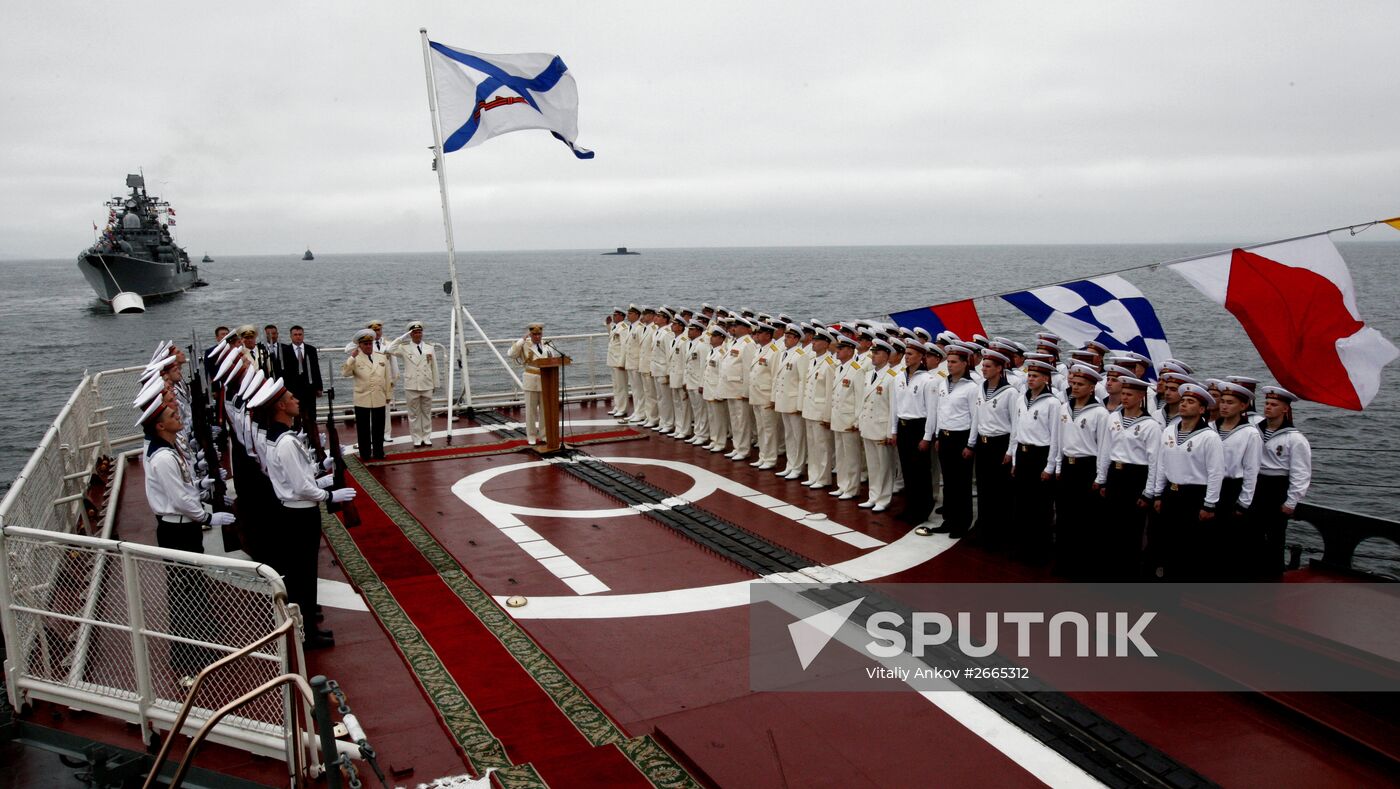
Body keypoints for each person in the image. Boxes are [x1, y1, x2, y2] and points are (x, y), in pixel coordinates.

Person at [254, 377, 356, 650]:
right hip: (300, 515)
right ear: (280, 406)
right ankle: (306, 633)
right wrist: (330, 495)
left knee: (304, 574)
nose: (297, 400)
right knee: (303, 576)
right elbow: (299, 485)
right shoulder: (286, 442)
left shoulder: (278, 437)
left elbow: (295, 479)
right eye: (291, 398)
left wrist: (322, 470)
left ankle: (308, 627)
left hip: (295, 510)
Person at [139, 394, 233, 677]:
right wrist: (206, 516)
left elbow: (184, 487)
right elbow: (179, 498)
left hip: (183, 525)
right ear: (159, 426)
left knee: (193, 587)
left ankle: (200, 645)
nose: (177, 418)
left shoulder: (168, 451)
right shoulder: (163, 457)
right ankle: (187, 657)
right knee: (184, 592)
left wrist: (201, 488)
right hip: (177, 528)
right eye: (171, 417)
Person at [1148, 384, 1223, 580]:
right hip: (1171, 492)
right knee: (1167, 540)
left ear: (1201, 409)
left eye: (1191, 402)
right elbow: (1162, 464)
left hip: (1194, 495)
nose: (1184, 404)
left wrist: (1210, 504)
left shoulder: (1209, 437)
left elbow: (1215, 472)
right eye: (1183, 401)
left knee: (1189, 543)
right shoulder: (1169, 431)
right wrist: (1157, 493)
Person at [1097, 375, 1161, 579]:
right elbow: (1106, 449)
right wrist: (1102, 478)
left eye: (1129, 394)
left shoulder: (1150, 425)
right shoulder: (1114, 417)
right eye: (1123, 393)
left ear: (1141, 396)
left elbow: (1154, 461)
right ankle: (1110, 571)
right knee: (1111, 526)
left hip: (1136, 476)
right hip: (1116, 474)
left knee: (1131, 529)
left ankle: (1128, 574)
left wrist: (1149, 492)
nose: (1124, 397)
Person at [1053, 365, 1113, 575]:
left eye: (1080, 384)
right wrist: (1058, 465)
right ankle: (1063, 561)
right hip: (1068, 467)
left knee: (1084, 519)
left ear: (1092, 388)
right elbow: (1058, 440)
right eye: (1073, 383)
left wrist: (1101, 476)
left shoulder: (1100, 413)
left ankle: (1082, 565)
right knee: (1064, 516)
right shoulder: (1064, 408)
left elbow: (1104, 446)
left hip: (1087, 467)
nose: (1075, 387)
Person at [1250, 386, 1312, 578]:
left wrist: (1291, 501)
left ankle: (1272, 576)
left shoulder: (1294, 438)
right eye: (1267, 403)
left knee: (1274, 536)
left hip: (1276, 487)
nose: (1268, 407)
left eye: (1274, 404)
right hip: (1255, 484)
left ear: (1285, 409)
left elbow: (1301, 472)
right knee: (1252, 533)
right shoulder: (1254, 431)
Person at [921, 344, 978, 538]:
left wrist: (971, 444)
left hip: (961, 437)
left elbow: (975, 417)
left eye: (954, 362)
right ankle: (949, 520)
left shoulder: (971, 388)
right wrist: (937, 435)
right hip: (945, 437)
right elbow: (939, 410)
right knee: (949, 482)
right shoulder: (944, 383)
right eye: (949, 362)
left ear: (964, 364)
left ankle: (962, 523)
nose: (950, 365)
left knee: (961, 484)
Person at [1011, 359, 1060, 561]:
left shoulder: (1053, 403)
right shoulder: (1021, 399)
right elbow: (1016, 429)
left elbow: (1056, 436)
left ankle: (1039, 549)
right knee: (1022, 503)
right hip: (1023, 453)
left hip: (1040, 455)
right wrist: (1014, 458)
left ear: (1046, 379)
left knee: (1040, 506)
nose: (1031, 379)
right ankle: (1023, 545)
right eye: (1029, 375)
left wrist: (1050, 466)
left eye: (1035, 376)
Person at [970, 348, 1019, 550]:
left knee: (1000, 491)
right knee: (984, 487)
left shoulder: (1010, 393)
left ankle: (1000, 532)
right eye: (983, 365)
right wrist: (971, 443)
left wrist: (1011, 451)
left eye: (989, 366)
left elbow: (1016, 424)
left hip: (1000, 444)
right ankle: (984, 527)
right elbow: (976, 417)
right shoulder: (981, 388)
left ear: (1000, 368)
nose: (984, 369)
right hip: (983, 443)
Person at [1214, 382, 1261, 577]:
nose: (1224, 406)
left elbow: (1252, 469)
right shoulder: (1210, 428)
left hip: (1232, 487)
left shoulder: (1250, 433)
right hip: (1210, 486)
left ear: (1243, 406)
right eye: (1222, 401)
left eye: (1230, 403)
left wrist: (1244, 501)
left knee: (1230, 538)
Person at [892, 341, 936, 524]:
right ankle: (910, 506)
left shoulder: (928, 380)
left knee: (921, 472)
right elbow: (895, 406)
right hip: (903, 426)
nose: (907, 357)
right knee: (907, 470)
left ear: (921, 357)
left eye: (911, 354)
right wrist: (894, 430)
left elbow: (932, 411)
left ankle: (922, 510)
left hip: (919, 427)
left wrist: (927, 437)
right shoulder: (899, 378)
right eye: (906, 353)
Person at [385, 321, 440, 447]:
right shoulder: (404, 348)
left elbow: (434, 367)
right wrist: (401, 337)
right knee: (413, 414)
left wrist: (435, 384)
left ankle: (426, 437)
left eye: (420, 332)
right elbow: (389, 350)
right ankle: (416, 438)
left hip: (426, 384)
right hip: (412, 385)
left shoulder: (429, 347)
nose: (418, 335)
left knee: (426, 412)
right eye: (415, 332)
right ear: (411, 334)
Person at [859, 340, 898, 511]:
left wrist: (891, 432)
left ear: (886, 356)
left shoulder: (892, 377)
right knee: (873, 465)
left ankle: (883, 499)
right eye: (872, 352)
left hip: (881, 427)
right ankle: (873, 496)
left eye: (877, 353)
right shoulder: (868, 375)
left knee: (884, 467)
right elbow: (862, 401)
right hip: (868, 425)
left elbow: (893, 407)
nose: (873, 356)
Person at [342, 329, 392, 458]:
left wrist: (388, 395)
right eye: (365, 344)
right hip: (362, 397)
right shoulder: (355, 358)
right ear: (360, 345)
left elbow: (387, 378)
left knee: (378, 427)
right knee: (363, 428)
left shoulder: (381, 357)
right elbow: (345, 373)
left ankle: (378, 452)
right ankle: (365, 453)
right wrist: (352, 357)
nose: (368, 346)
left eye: (370, 343)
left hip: (378, 397)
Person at [508, 323, 559, 446]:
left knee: (544, 410)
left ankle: (544, 435)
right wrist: (522, 339)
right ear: (530, 334)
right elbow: (511, 354)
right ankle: (531, 435)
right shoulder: (525, 344)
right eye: (534, 334)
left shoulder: (547, 344)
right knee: (531, 411)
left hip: (546, 379)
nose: (537, 336)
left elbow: (554, 358)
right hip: (531, 379)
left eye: (539, 334)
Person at [828, 336, 866, 500]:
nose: (837, 352)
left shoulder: (857, 370)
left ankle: (852, 488)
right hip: (838, 417)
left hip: (849, 419)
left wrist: (857, 421)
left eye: (840, 349)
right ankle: (842, 485)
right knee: (841, 455)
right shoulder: (839, 368)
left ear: (850, 351)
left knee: (851, 457)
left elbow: (860, 398)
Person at [800, 328, 837, 488]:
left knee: (822, 446)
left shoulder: (829, 364)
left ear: (826, 344)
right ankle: (813, 475)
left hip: (820, 410)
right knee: (812, 445)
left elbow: (830, 392)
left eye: (817, 341)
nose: (813, 343)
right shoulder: (813, 360)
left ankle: (823, 478)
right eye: (813, 340)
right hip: (810, 408)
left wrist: (827, 416)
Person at [773, 323, 810, 479]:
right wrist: (775, 398)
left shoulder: (801, 355)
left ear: (796, 339)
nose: (785, 339)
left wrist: (800, 404)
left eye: (788, 337)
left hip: (793, 401)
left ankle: (798, 467)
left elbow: (803, 381)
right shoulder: (784, 354)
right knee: (789, 435)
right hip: (783, 399)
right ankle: (790, 464)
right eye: (785, 336)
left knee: (798, 436)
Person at [748, 322, 782, 470]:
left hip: (766, 395)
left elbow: (775, 376)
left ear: (768, 335)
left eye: (760, 333)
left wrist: (773, 398)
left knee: (769, 429)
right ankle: (763, 456)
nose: (757, 335)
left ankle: (770, 458)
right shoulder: (759, 349)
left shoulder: (774, 351)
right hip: (756, 394)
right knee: (761, 428)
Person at [284, 325, 323, 433]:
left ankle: (312, 438)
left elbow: (316, 369)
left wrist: (319, 387)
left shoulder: (311, 350)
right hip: (293, 390)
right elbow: (284, 373)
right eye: (295, 335)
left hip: (309, 389)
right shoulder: (285, 351)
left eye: (300, 334)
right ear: (291, 336)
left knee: (311, 416)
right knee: (296, 417)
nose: (298, 337)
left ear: (303, 335)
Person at [702, 327, 731, 453]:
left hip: (716, 390)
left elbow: (721, 375)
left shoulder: (721, 353)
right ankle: (714, 440)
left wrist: (720, 393)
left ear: (721, 338)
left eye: (714, 336)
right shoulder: (712, 351)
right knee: (712, 417)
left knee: (719, 419)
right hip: (709, 389)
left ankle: (720, 442)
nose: (711, 338)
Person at [683, 320, 710, 446]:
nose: (689, 331)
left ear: (698, 331)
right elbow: (687, 364)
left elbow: (704, 366)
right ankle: (698, 433)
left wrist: (702, 384)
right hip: (690, 381)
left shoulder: (702, 345)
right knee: (696, 410)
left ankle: (703, 435)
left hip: (698, 382)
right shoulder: (690, 344)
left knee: (701, 410)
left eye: (692, 329)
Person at [607, 308, 631, 417]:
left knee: (622, 386)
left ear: (621, 316)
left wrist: (622, 363)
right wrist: (608, 325)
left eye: (616, 315)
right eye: (613, 314)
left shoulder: (624, 328)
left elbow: (624, 346)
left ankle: (623, 408)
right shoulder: (615, 327)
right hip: (612, 360)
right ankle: (617, 406)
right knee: (616, 386)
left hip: (618, 361)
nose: (614, 316)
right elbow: (612, 338)